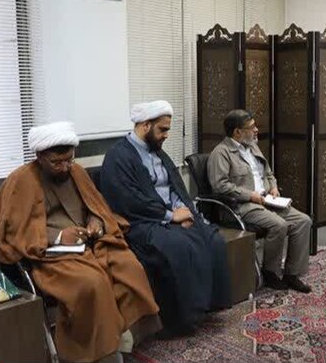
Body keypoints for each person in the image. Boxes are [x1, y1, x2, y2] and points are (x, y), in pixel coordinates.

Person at [0, 121, 160, 363]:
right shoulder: (20, 181)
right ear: (39, 156)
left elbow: (96, 206)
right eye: (56, 163)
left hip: (90, 244)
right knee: (92, 282)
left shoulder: (76, 172)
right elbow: (13, 231)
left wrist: (96, 221)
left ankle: (125, 339)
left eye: (69, 160)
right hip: (49, 255)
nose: (64, 168)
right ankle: (103, 355)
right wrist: (59, 236)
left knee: (130, 267)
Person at [96, 101, 231, 337]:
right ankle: (179, 321)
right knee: (179, 247)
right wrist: (170, 216)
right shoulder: (118, 156)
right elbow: (128, 201)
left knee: (213, 240)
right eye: (163, 129)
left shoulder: (157, 150)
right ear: (145, 125)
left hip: (170, 216)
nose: (167, 135)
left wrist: (184, 211)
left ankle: (207, 305)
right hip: (140, 222)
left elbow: (174, 187)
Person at [207, 109, 312, 293]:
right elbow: (220, 185)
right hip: (243, 205)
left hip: (267, 200)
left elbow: (268, 173)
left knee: (303, 221)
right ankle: (270, 272)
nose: (256, 130)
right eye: (252, 127)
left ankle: (292, 274)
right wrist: (250, 195)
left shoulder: (253, 147)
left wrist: (273, 187)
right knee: (279, 225)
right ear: (237, 132)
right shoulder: (221, 153)